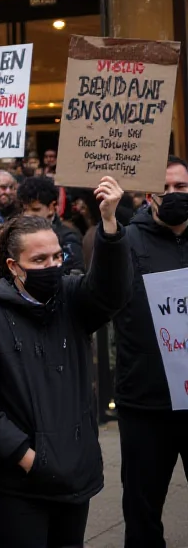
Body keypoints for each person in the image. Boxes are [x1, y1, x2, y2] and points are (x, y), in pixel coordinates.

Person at [0, 176, 132, 548]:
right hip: (17, 486)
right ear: (14, 266)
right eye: (39, 260)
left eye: (57, 257)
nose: (52, 266)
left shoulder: (72, 300)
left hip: (74, 478)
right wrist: (26, 455)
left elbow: (110, 293)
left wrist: (110, 225)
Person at [114, 156, 188, 548]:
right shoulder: (127, 241)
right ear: (149, 196)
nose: (173, 195)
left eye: (181, 187)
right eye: (165, 188)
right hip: (145, 403)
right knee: (142, 512)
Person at [18, 175, 85, 274]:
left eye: (35, 209)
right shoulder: (17, 235)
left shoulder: (67, 239)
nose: (27, 215)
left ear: (52, 207)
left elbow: (75, 275)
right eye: (24, 210)